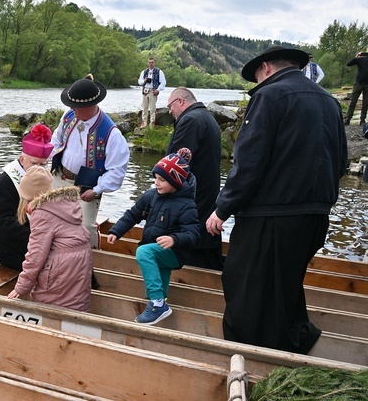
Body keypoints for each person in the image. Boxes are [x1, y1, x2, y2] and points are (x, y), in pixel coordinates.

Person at [206, 46, 348, 354]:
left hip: (271, 215)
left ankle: (252, 354)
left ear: (266, 68)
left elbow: (250, 162)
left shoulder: (268, 96)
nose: (256, 84)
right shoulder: (330, 102)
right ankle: (294, 342)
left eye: (256, 77)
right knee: (286, 283)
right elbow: (341, 164)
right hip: (316, 215)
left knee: (244, 285)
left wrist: (222, 208)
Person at [106, 148, 199, 325]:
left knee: (143, 252)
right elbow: (132, 214)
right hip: (156, 249)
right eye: (155, 178)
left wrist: (174, 239)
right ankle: (160, 305)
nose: (156, 183)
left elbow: (193, 235)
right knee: (158, 274)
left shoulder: (187, 206)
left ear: (176, 182)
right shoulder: (151, 196)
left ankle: (157, 304)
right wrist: (116, 231)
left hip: (174, 252)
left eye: (162, 180)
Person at [50, 74, 130, 249]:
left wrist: (96, 190)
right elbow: (56, 141)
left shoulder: (111, 133)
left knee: (85, 227)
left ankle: (92, 261)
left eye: (77, 107)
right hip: (59, 177)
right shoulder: (69, 115)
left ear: (90, 105)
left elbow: (116, 172)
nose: (72, 109)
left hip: (88, 186)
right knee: (49, 218)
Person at [8, 166, 93, 311]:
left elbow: (36, 255)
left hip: (63, 266)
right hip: (81, 261)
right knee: (74, 302)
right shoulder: (66, 204)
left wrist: (21, 287)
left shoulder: (42, 214)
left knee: (48, 304)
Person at [166, 88, 223, 270]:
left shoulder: (190, 120)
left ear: (180, 101)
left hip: (192, 199)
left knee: (192, 252)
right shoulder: (207, 117)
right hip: (207, 195)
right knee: (205, 248)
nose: (169, 111)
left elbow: (176, 166)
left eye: (170, 106)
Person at [0, 123, 54, 270]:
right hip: (13, 249)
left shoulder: (41, 178)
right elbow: (3, 225)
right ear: (22, 159)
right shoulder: (5, 184)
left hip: (37, 239)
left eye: (43, 165)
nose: (38, 168)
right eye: (34, 163)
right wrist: (40, 237)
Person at [137, 58, 166, 128]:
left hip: (153, 91)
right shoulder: (144, 72)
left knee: (152, 108)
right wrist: (145, 81)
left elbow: (163, 82)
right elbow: (139, 82)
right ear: (148, 63)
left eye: (152, 62)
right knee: (144, 108)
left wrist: (158, 90)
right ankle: (144, 123)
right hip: (145, 91)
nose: (151, 64)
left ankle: (152, 124)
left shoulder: (159, 71)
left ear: (154, 63)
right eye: (149, 62)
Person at [344, 51, 368, 125]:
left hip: (367, 84)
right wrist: (356, 57)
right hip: (358, 83)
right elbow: (348, 64)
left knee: (365, 103)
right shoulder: (360, 59)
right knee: (353, 102)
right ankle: (348, 119)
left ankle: (362, 120)